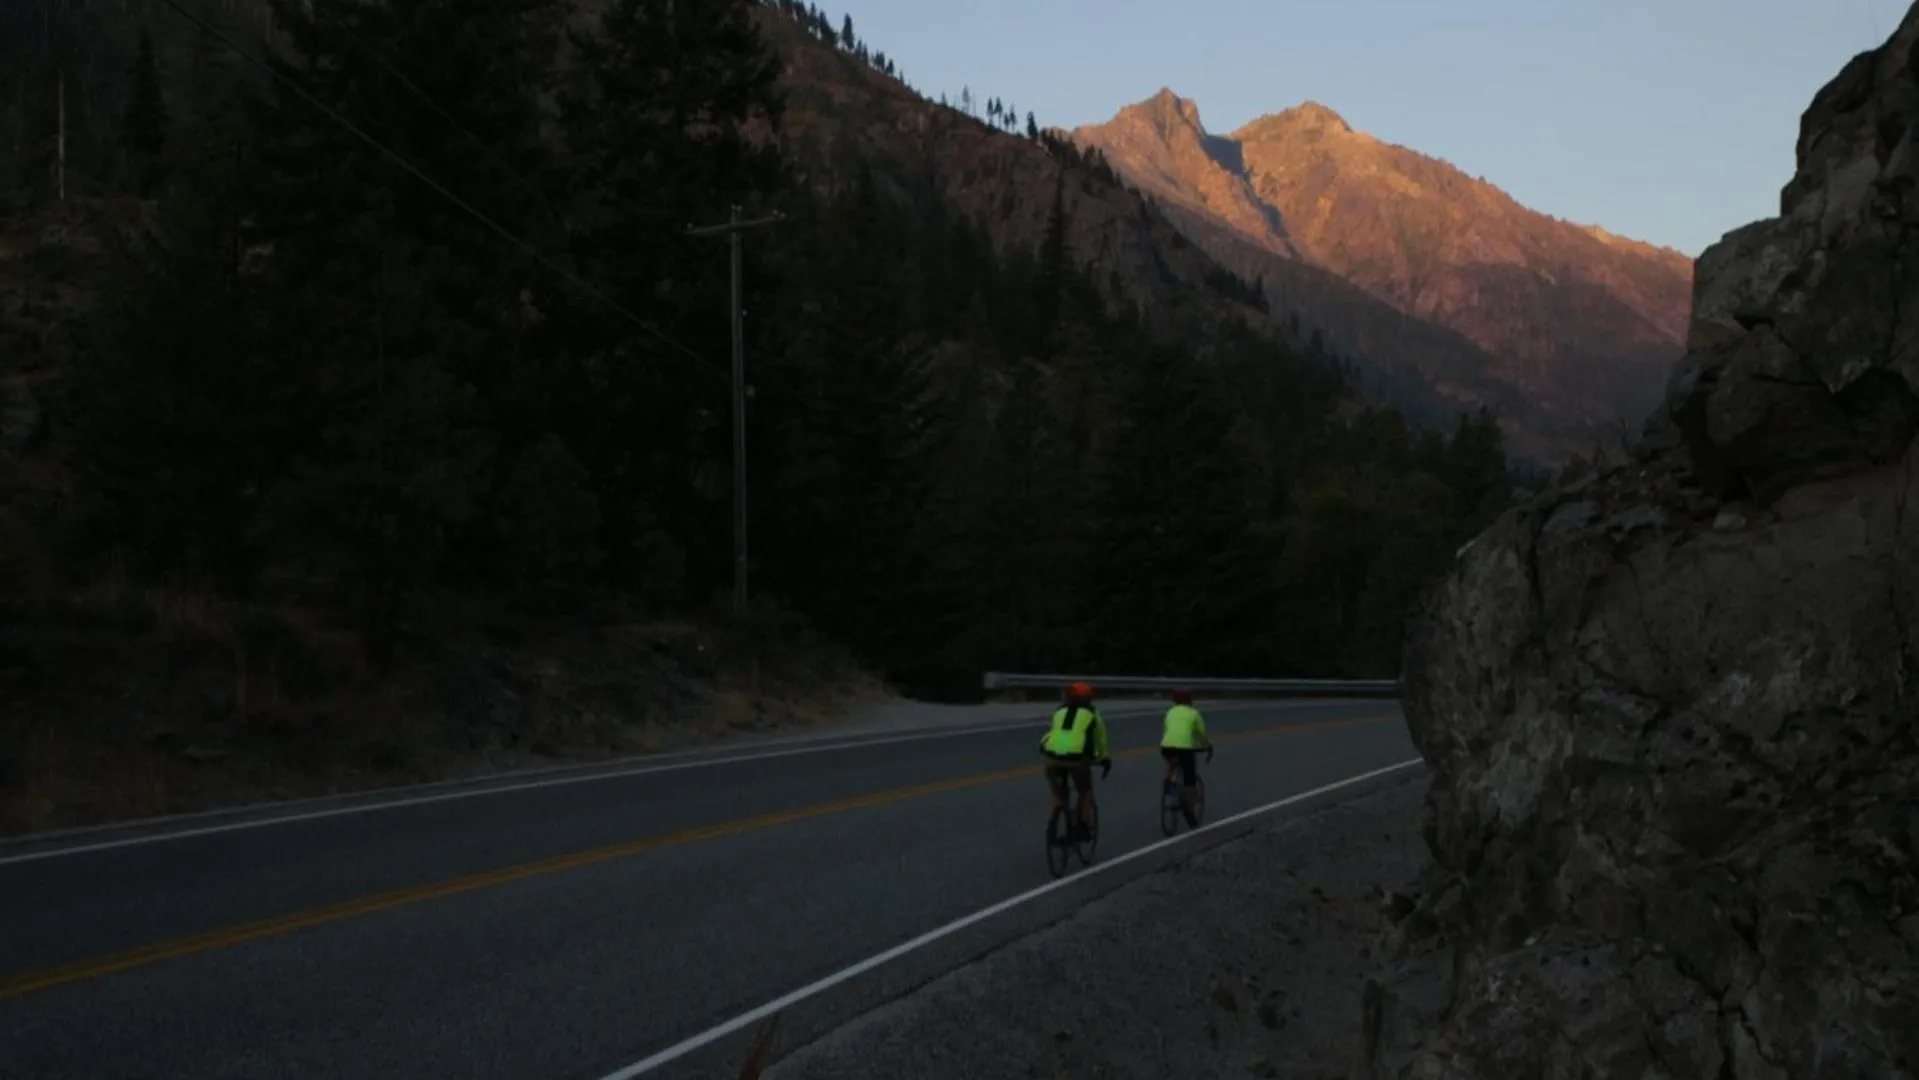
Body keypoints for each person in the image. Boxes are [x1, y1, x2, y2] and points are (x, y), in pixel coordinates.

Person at [1039, 681, 1111, 841]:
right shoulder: (1092, 714)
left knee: (1058, 793)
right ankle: (1083, 827)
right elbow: (1100, 739)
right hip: (1077, 759)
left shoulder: (1059, 711)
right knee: (1085, 792)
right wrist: (1103, 758)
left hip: (1052, 757)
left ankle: (1053, 824)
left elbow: (1056, 733)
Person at [1159, 688, 1212, 826]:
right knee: (1190, 779)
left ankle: (1168, 781)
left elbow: (1167, 730)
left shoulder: (1170, 712)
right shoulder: (1193, 713)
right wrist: (1207, 746)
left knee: (1171, 760)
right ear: (1190, 701)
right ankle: (1191, 811)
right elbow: (1201, 733)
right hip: (1185, 749)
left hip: (1166, 747)